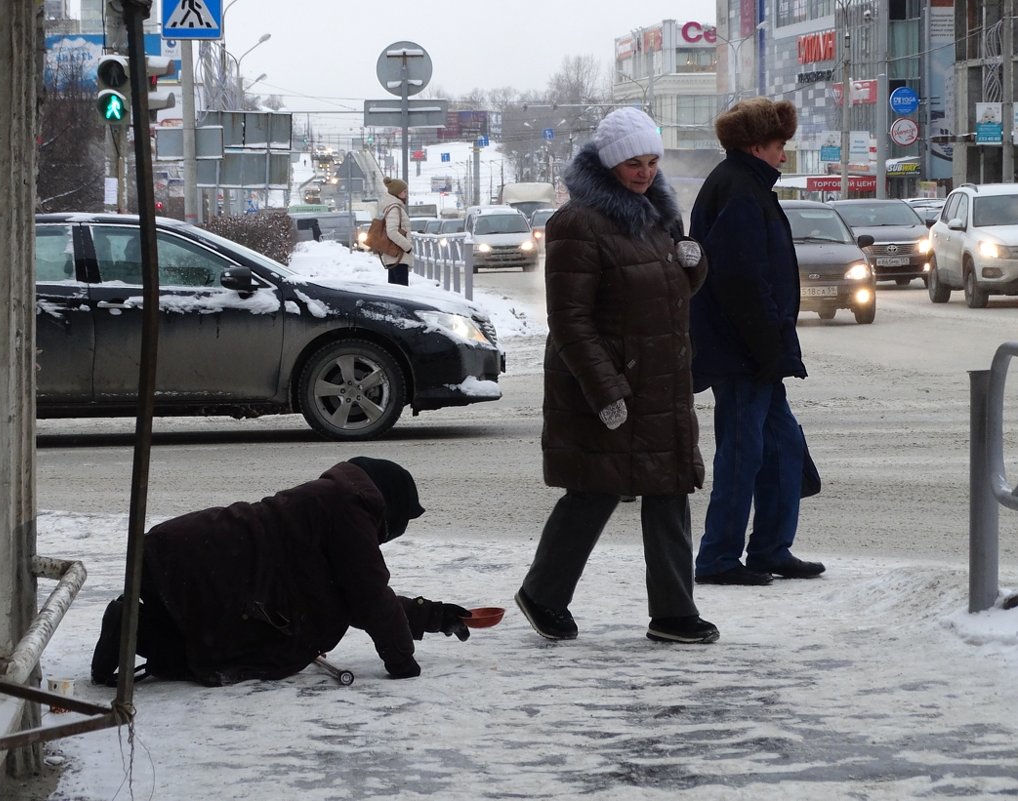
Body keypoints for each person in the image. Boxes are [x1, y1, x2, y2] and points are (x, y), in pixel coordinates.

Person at [514, 107, 717, 645]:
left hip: (658, 382)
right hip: (607, 382)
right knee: (593, 491)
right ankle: (543, 595)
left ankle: (673, 613)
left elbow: (667, 297)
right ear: (609, 162)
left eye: (652, 161)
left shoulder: (656, 214)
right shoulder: (576, 223)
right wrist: (606, 390)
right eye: (633, 162)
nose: (645, 172)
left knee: (669, 489)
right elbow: (570, 320)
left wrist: (692, 265)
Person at [90, 458, 472, 686]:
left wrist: (431, 615)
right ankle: (133, 627)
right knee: (227, 652)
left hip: (186, 549)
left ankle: (132, 625)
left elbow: (352, 595)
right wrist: (403, 663)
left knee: (202, 634)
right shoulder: (349, 510)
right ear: (388, 510)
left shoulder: (328, 499)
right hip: (212, 565)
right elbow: (369, 596)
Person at [688, 97, 825, 586]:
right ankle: (719, 559)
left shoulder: (746, 185)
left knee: (784, 449)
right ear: (756, 145)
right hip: (744, 355)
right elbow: (742, 280)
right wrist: (771, 351)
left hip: (755, 352)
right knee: (742, 454)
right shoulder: (740, 190)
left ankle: (769, 548)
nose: (784, 156)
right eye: (779, 145)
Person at [376, 176, 413, 286]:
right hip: (398, 257)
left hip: (395, 257)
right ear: (397, 193)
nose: (406, 194)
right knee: (401, 293)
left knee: (395, 292)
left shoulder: (393, 207)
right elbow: (391, 231)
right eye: (404, 192)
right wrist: (408, 247)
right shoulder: (394, 209)